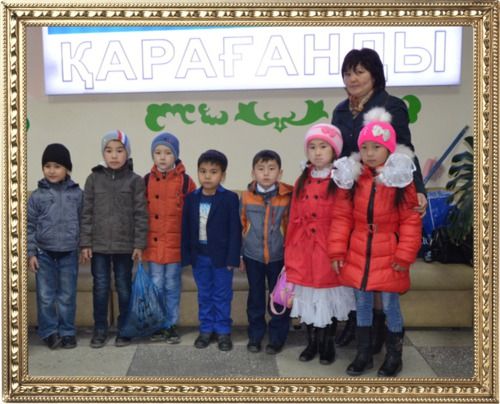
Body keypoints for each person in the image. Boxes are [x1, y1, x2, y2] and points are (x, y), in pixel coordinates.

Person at [330, 47, 427, 351]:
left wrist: (418, 189)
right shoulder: (340, 110)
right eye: (348, 73)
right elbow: (338, 153)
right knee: (355, 263)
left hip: (385, 191)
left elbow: (405, 148)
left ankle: (383, 333)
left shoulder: (391, 105)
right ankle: (357, 326)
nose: (352, 78)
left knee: (381, 270)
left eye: (359, 72)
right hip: (353, 192)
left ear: (374, 75)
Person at [328, 108, 422, 377]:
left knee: (391, 305)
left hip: (389, 252)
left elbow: (410, 221)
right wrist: (337, 251)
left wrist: (404, 255)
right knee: (362, 304)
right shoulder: (353, 178)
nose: (369, 153)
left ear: (389, 149)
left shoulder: (400, 179)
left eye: (376, 147)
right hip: (359, 250)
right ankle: (364, 353)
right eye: (364, 147)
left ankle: (394, 355)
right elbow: (342, 217)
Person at [284, 123, 355, 365]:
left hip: (328, 249)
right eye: (312, 147)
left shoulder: (341, 179)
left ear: (334, 150)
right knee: (308, 298)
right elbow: (293, 217)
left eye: (323, 146)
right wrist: (290, 249)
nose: (317, 152)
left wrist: (340, 250)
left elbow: (345, 218)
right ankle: (311, 342)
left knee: (327, 298)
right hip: (304, 248)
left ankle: (327, 345)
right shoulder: (302, 179)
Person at [80, 130, 148, 348]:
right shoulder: (93, 179)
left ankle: (125, 329)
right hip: (98, 246)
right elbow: (86, 213)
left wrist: (139, 244)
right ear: (103, 154)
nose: (114, 155)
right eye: (109, 151)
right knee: (100, 287)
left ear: (127, 153)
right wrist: (85, 242)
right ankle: (100, 329)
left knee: (124, 287)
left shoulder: (135, 181)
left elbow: (141, 214)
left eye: (119, 150)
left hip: (124, 246)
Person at [181, 149, 242, 351]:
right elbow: (186, 229)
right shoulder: (191, 198)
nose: (207, 176)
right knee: (205, 295)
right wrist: (187, 256)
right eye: (203, 171)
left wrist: (233, 258)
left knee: (222, 295)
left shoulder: (230, 198)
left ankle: (223, 331)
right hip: (200, 257)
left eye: (213, 172)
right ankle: (206, 330)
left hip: (222, 259)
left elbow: (235, 230)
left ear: (222, 175)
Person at [28, 143, 83, 350]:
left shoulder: (77, 194)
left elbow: (84, 222)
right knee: (45, 296)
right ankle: (49, 332)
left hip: (69, 252)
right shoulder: (37, 196)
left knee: (67, 295)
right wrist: (31, 253)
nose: (51, 170)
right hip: (44, 254)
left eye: (57, 166)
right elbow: (29, 226)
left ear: (67, 169)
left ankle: (68, 331)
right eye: (47, 166)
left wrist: (84, 246)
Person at [143, 132, 196, 344]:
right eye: (158, 152)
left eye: (167, 153)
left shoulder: (186, 182)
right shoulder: (145, 181)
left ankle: (170, 325)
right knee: (155, 284)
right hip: (153, 245)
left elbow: (192, 216)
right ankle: (157, 324)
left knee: (172, 285)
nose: (162, 157)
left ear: (175, 155)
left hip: (175, 246)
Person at [240, 150, 293, 355]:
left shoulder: (287, 197)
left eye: (271, 169)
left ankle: (277, 337)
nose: (266, 173)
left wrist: (290, 256)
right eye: (261, 169)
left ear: (280, 173)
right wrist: (240, 254)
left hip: (279, 257)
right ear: (253, 173)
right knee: (255, 297)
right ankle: (255, 335)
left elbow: (291, 227)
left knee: (278, 297)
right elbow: (240, 225)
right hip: (253, 256)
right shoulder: (246, 197)